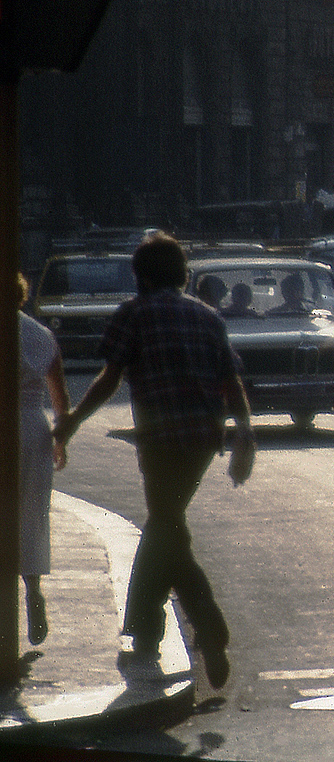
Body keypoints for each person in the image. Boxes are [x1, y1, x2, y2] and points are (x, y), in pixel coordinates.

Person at [54, 233, 255, 689]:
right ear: (182, 274)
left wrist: (71, 422)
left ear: (141, 276)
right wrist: (245, 432)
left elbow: (109, 379)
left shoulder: (134, 313)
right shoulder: (207, 316)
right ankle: (149, 627)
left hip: (159, 439)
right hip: (203, 438)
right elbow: (231, 381)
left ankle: (200, 627)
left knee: (165, 525)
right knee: (167, 527)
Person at [18, 273, 68, 646]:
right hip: (33, 426)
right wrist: (61, 438)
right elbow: (59, 392)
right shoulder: (39, 334)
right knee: (33, 512)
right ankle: (33, 588)